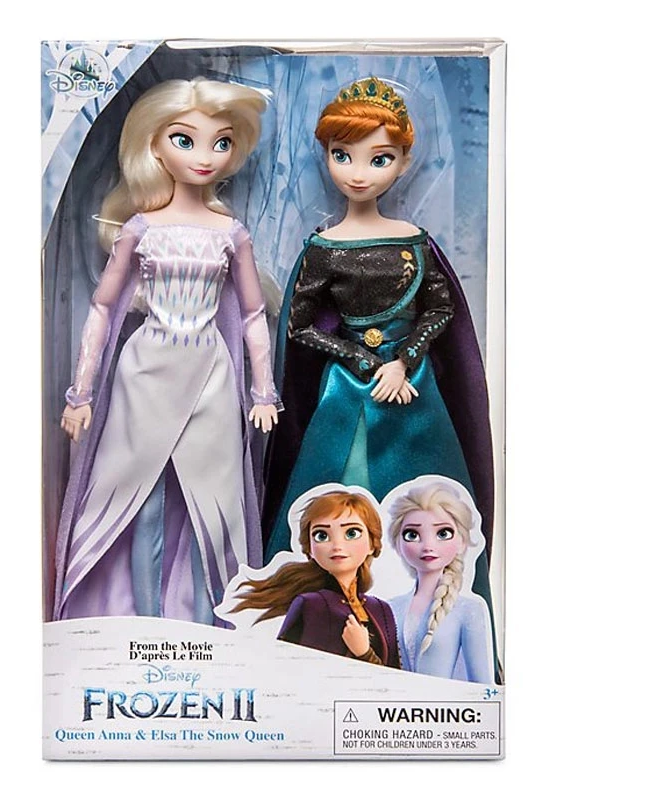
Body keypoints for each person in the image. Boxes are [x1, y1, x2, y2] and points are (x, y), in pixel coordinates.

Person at [262, 77, 495, 625]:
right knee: (340, 484)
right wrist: (367, 362)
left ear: (404, 162)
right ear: (325, 155)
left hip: (412, 388)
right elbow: (300, 327)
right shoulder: (324, 248)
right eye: (342, 155)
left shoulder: (412, 240)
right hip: (347, 387)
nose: (359, 173)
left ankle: (423, 607)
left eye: (380, 158)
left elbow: (440, 309)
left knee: (422, 492)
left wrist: (404, 360)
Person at [54, 78, 281, 623]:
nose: (204, 156)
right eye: (185, 140)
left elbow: (253, 316)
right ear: (154, 146)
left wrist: (263, 392)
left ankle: (211, 623)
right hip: (147, 372)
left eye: (220, 142)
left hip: (210, 372)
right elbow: (103, 308)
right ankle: (148, 622)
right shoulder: (140, 228)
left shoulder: (230, 232)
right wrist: (80, 394)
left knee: (214, 507)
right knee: (143, 502)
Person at [234, 489, 400, 667]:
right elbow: (291, 669)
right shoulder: (312, 605)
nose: (337, 545)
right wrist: (363, 654)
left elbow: (395, 674)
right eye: (322, 536)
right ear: (310, 550)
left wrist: (365, 653)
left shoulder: (381, 609)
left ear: (372, 544)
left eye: (352, 533)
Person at [385, 479, 493, 683]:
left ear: (462, 541)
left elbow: (481, 685)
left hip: (445, 704)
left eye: (443, 533)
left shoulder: (468, 610)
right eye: (412, 534)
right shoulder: (389, 607)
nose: (428, 546)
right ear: (397, 544)